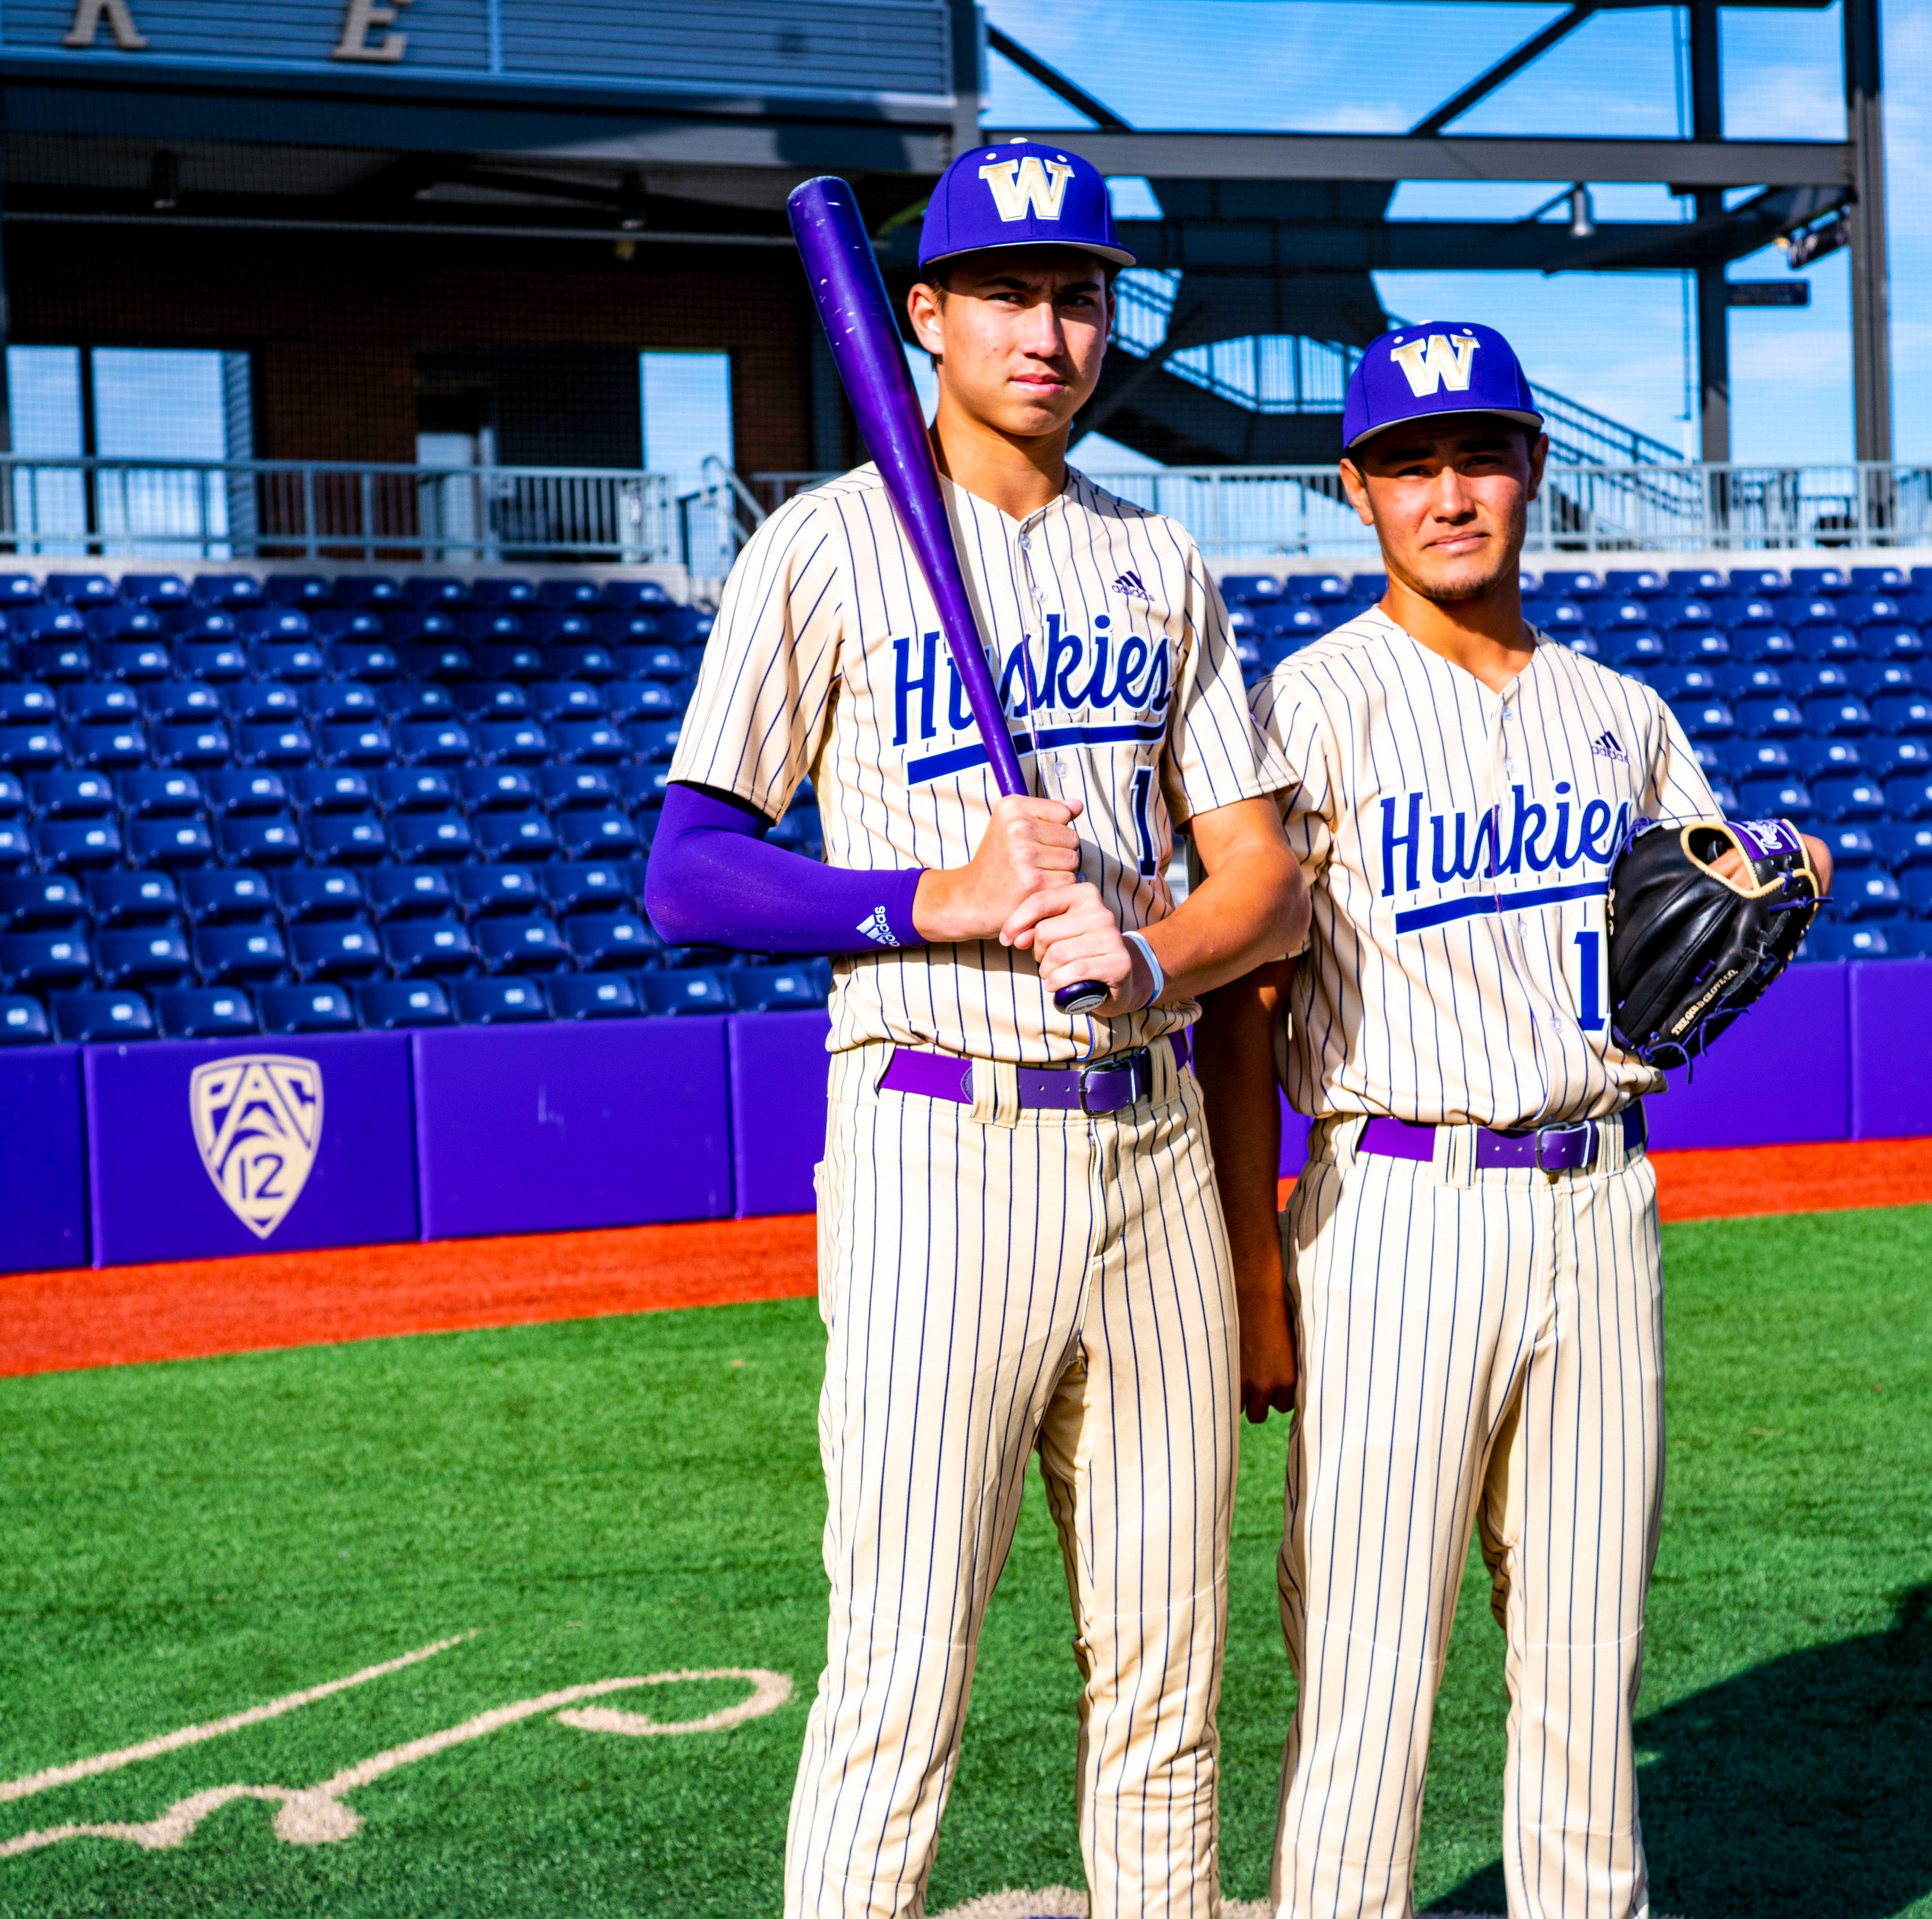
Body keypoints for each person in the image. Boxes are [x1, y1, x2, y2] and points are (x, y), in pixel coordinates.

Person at [646, 141, 1308, 1919]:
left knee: (1168, 1685)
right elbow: (690, 870)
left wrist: (1157, 955)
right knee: (902, 1672)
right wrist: (925, 894)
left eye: (1079, 292)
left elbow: (1265, 885)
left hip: (1153, 1149)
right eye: (1006, 290)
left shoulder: (1158, 558)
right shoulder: (823, 547)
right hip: (941, 1139)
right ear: (921, 314)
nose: (1048, 326)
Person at [1193, 320, 1831, 1919]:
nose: (1450, 492)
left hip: (1598, 1204)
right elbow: (1245, 1005)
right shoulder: (1307, 707)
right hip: (1391, 1208)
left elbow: (1706, 912)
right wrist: (1256, 1282)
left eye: (1479, 455)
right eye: (1410, 464)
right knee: (1362, 1661)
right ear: (1356, 491)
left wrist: (1791, 872)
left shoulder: (1619, 712)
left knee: (1584, 1655)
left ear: (1534, 469)